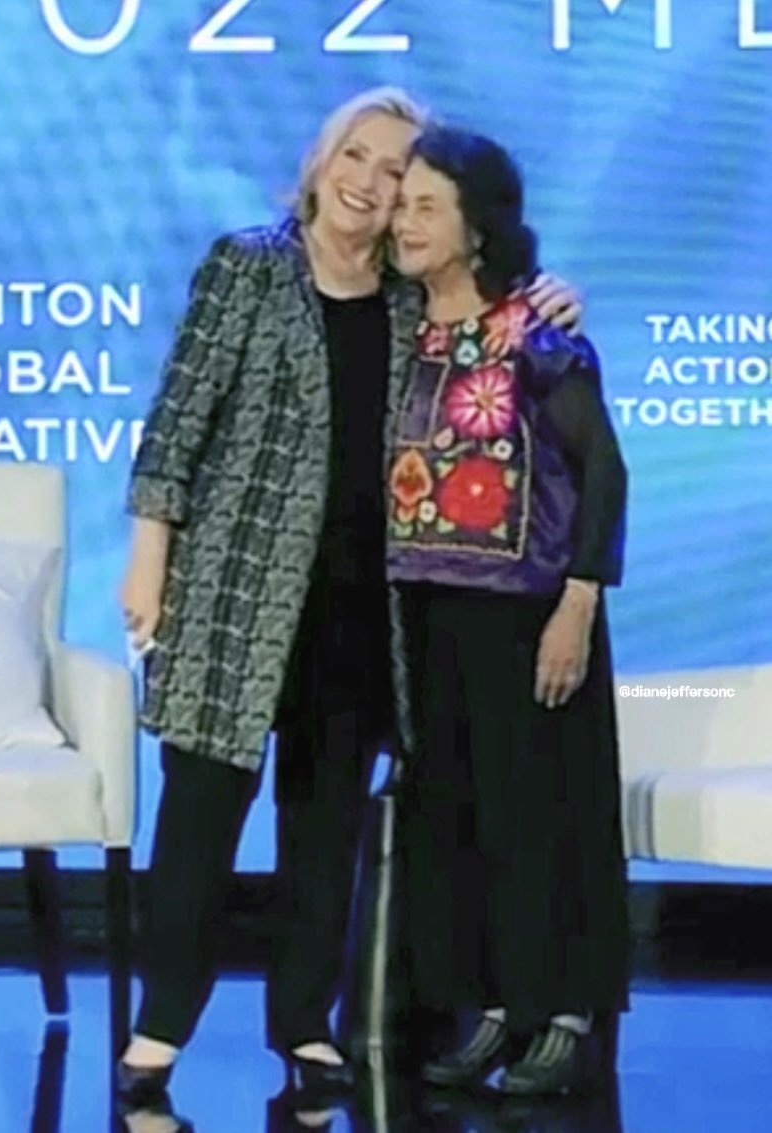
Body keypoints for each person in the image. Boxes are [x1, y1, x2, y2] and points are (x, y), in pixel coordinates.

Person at [116, 89, 582, 1107]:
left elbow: (498, 304)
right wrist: (149, 554)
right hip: (234, 595)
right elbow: (176, 420)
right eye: (356, 156)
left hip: (359, 613)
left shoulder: (416, 298)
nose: (369, 183)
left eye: (395, 172)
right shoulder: (247, 265)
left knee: (321, 834)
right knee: (196, 822)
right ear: (323, 157)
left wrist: (549, 295)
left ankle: (301, 1026)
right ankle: (158, 1031)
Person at [387, 126, 629, 1097]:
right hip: (427, 614)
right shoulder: (401, 330)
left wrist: (577, 603)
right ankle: (488, 1001)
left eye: (424, 205)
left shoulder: (538, 330)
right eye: (401, 203)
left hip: (530, 615)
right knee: (461, 815)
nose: (403, 220)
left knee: (543, 815)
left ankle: (561, 1006)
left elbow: (602, 471)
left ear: (477, 227)